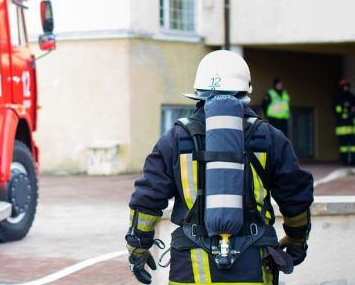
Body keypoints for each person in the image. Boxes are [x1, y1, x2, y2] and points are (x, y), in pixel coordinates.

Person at [125, 50, 313, 285]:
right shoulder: (268, 137)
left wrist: (137, 249)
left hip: (189, 268)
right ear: (245, 90)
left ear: (199, 93)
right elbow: (296, 196)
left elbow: (147, 199)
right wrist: (297, 240)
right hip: (254, 264)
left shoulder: (176, 138)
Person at [334, 79, 355, 166]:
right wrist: (344, 108)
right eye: (344, 86)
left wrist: (351, 111)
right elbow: (337, 110)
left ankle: (353, 161)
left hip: (351, 127)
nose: (345, 87)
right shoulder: (338, 98)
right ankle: (345, 162)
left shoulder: (351, 97)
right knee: (343, 147)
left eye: (347, 86)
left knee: (353, 146)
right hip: (342, 127)